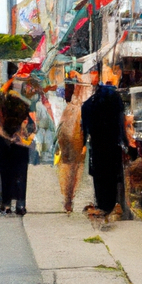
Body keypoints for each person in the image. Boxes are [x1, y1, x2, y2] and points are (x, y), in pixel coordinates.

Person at [0, 82, 35, 215]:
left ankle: (6, 204)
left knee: (6, 174)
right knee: (20, 175)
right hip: (19, 145)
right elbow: (31, 127)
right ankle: (19, 204)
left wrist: (5, 136)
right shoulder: (24, 106)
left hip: (3, 145)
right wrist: (20, 135)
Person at [81, 82, 127, 216]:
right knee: (112, 176)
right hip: (113, 145)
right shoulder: (115, 101)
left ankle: (102, 205)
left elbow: (85, 127)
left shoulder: (90, 104)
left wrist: (85, 141)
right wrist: (125, 141)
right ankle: (110, 206)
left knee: (100, 176)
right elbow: (121, 125)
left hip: (97, 145)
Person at [55, 81, 86, 213]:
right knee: (73, 170)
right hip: (74, 143)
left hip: (69, 143)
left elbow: (60, 127)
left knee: (69, 170)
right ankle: (69, 199)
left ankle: (68, 200)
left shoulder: (69, 108)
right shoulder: (76, 108)